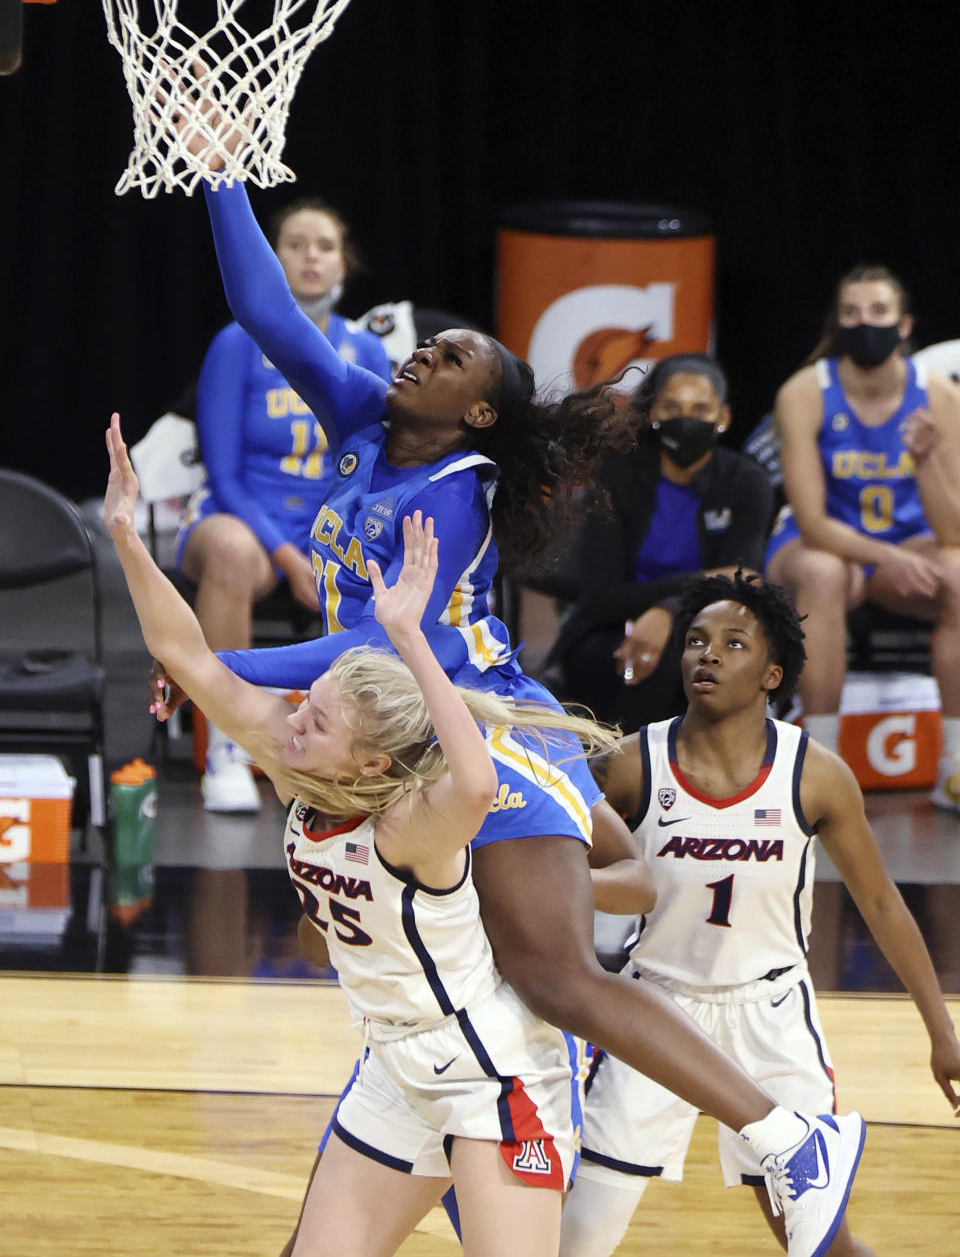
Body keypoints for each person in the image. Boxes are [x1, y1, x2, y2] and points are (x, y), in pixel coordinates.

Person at [155, 126, 869, 1256]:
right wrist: (220, 172)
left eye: (449, 361)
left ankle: (787, 1133)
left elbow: (370, 652)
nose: (420, 357)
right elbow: (264, 311)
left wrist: (218, 668)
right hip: (402, 717)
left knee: (552, 969)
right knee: (469, 966)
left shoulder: (453, 488)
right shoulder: (361, 417)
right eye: (427, 346)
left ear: (479, 413)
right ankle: (459, 1133)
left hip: (477, 721)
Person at [106, 416, 638, 1256]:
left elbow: (476, 780)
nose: (292, 722)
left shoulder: (415, 824)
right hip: (395, 1066)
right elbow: (193, 656)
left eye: (315, 721)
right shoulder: (297, 766)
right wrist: (128, 538)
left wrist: (410, 640)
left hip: (495, 1074)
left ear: (367, 760)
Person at [559, 571, 960, 1257]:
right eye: (695, 641)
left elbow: (883, 905)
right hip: (655, 1009)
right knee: (579, 1237)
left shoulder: (815, 773)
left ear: (773, 673)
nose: (706, 655)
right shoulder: (630, 766)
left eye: (733, 644)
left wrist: (942, 1032)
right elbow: (555, 872)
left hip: (772, 1014)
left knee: (820, 1242)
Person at [176, 195, 392, 812]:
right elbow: (222, 472)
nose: (310, 257)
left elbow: (372, 464)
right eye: (295, 245)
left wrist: (329, 545)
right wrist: (287, 555)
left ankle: (353, 752)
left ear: (344, 264)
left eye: (324, 246)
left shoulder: (369, 352)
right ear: (272, 259)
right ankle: (224, 747)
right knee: (231, 552)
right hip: (244, 513)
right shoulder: (235, 344)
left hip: (328, 521)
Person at [765, 266, 960, 813]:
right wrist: (886, 556)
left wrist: (924, 461)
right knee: (825, 574)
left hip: (905, 547)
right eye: (850, 313)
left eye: (877, 312)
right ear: (836, 323)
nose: (863, 323)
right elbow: (812, 521)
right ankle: (820, 766)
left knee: (959, 573)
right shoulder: (805, 391)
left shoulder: (939, 395)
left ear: (904, 325)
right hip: (823, 549)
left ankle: (955, 766)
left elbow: (952, 532)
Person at [549, 354, 774, 730]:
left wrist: (668, 611)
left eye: (700, 408)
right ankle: (627, 776)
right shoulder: (616, 475)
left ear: (724, 417)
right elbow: (603, 595)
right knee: (648, 662)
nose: (685, 418)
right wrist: (696, 586)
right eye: (672, 406)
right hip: (610, 630)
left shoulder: (746, 481)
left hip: (712, 630)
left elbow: (740, 583)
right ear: (653, 412)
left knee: (691, 657)